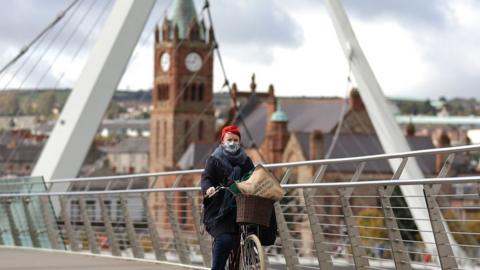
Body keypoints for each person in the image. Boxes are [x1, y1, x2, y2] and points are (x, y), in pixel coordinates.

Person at [201, 125, 254, 270]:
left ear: (239, 142)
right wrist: (209, 189)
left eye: (235, 140)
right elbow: (206, 178)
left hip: (241, 207)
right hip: (218, 211)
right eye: (229, 139)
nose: (232, 143)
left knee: (254, 231)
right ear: (223, 141)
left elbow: (254, 176)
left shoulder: (245, 160)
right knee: (225, 239)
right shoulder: (214, 159)